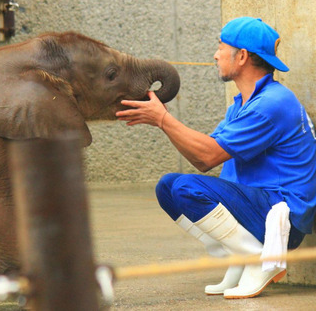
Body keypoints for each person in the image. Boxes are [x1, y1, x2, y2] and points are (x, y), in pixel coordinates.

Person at [116, 17, 316, 299]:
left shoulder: (271, 104)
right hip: (259, 204)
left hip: (281, 221)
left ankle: (262, 259)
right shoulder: (244, 104)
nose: (215, 54)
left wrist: (162, 119)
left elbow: (206, 157)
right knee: (168, 186)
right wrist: (161, 120)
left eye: (221, 46)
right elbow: (205, 152)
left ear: (242, 56)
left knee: (187, 188)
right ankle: (240, 256)